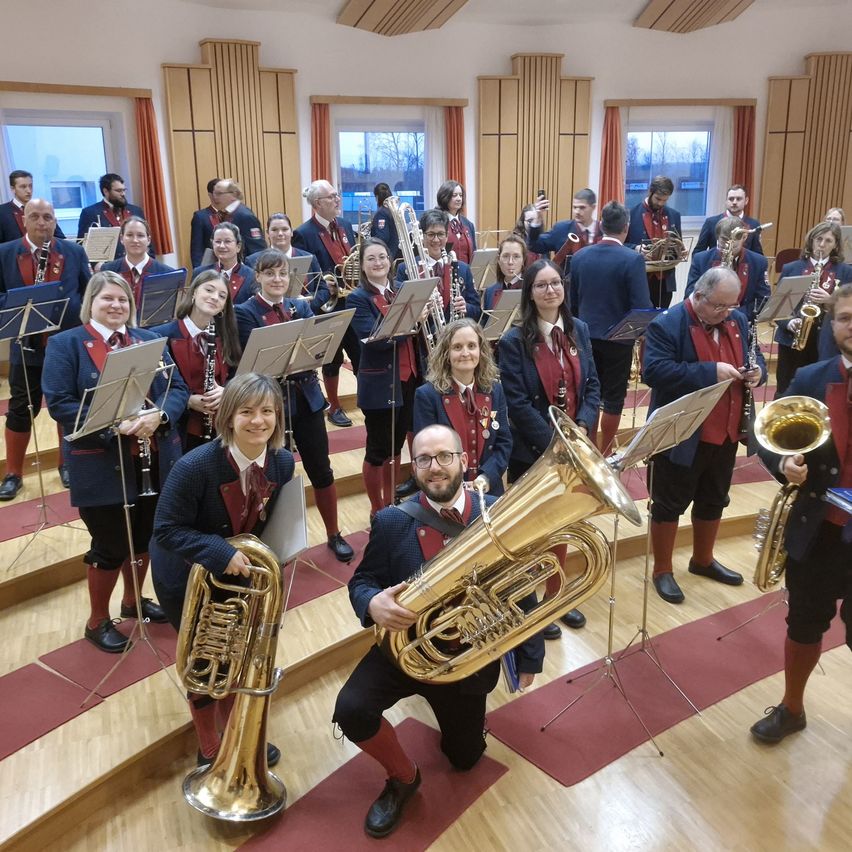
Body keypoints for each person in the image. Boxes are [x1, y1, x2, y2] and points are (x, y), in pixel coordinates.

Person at [332, 424, 543, 839]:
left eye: (445, 456)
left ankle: (458, 725)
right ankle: (402, 777)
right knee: (351, 709)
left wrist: (530, 656)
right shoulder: (392, 521)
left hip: (464, 660)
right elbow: (363, 580)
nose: (435, 467)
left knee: (465, 758)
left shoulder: (496, 514)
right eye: (424, 459)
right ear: (415, 466)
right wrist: (371, 602)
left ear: (464, 461)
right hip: (404, 649)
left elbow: (523, 590)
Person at [150, 372, 292, 768]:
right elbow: (165, 529)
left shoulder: (282, 461)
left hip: (239, 571)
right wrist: (216, 551)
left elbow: (271, 520)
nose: (258, 421)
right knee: (204, 656)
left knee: (240, 651)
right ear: (228, 417)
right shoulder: (194, 467)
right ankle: (209, 742)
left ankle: (237, 732)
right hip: (186, 572)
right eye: (246, 411)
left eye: (267, 411)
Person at [42, 271, 188, 652]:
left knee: (143, 536)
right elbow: (60, 403)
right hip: (100, 462)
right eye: (108, 299)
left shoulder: (150, 339)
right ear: (90, 302)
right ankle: (97, 620)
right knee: (109, 545)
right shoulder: (66, 344)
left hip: (153, 460)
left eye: (123, 300)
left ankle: (133, 601)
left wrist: (161, 417)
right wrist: (114, 425)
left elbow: (176, 388)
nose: (116, 306)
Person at [749, 284, 852, 744]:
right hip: (819, 530)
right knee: (805, 623)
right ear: (834, 325)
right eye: (846, 318)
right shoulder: (811, 377)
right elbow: (767, 438)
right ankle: (792, 708)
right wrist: (783, 465)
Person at [642, 266, 766, 604]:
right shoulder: (666, 324)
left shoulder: (737, 321)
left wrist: (758, 373)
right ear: (698, 296)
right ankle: (662, 570)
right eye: (719, 307)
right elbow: (653, 371)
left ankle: (702, 559)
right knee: (669, 503)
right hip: (683, 434)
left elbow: (756, 358)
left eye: (732, 306)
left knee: (714, 498)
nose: (727, 314)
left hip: (725, 431)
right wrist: (708, 371)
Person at [499, 258, 600, 635]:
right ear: (530, 293)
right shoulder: (514, 341)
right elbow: (518, 403)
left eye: (555, 283)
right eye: (541, 285)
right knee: (535, 531)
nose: (550, 290)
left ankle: (554, 599)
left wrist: (584, 428)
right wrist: (556, 446)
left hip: (575, 448)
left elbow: (591, 386)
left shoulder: (580, 330)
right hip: (535, 453)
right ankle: (529, 601)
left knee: (564, 525)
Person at [234, 248, 354, 562]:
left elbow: (318, 352)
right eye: (270, 273)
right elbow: (254, 363)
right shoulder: (245, 312)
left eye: (283, 273)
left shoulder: (298, 308)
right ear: (257, 277)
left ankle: (333, 533)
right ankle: (271, 544)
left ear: (291, 277)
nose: (277, 279)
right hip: (270, 406)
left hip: (307, 400)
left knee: (321, 469)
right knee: (270, 476)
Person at [0, 198, 91, 499]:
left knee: (65, 407)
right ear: (24, 220)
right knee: (19, 409)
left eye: (48, 218)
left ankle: (67, 464)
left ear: (55, 221)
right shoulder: (5, 253)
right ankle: (13, 473)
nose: (42, 223)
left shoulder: (74, 252)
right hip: (25, 347)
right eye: (35, 217)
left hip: (65, 347)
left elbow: (87, 294)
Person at [570, 200, 653, 454]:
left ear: (601, 225)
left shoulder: (580, 256)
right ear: (626, 228)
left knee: (589, 396)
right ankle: (606, 453)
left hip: (584, 338)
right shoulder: (632, 259)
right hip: (619, 341)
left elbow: (572, 303)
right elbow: (642, 307)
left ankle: (589, 451)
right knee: (614, 400)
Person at [348, 238, 422, 517]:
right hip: (380, 384)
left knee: (396, 445)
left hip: (409, 379)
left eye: (382, 257)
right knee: (377, 450)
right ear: (363, 266)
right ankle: (377, 509)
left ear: (390, 260)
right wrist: (413, 320)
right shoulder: (358, 298)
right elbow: (376, 340)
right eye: (371, 259)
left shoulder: (401, 290)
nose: (378, 263)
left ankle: (391, 502)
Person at [414, 318, 512, 496]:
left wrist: (485, 478)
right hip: (447, 492)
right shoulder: (427, 396)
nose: (465, 353)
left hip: (488, 490)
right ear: (446, 353)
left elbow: (504, 443)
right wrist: (456, 486)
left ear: (481, 351)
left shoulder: (495, 390)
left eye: (472, 346)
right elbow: (427, 454)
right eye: (457, 347)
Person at [292, 179, 361, 428]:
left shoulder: (343, 225)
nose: (338, 200)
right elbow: (307, 275)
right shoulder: (304, 233)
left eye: (336, 195)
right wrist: (326, 286)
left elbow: (353, 258)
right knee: (331, 359)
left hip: (353, 300)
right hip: (329, 305)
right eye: (332, 197)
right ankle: (334, 406)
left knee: (360, 353)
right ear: (318, 204)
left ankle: (366, 398)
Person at [152, 270, 241, 450]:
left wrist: (226, 391)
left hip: (220, 425)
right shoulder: (162, 335)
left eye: (222, 296)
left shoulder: (225, 334)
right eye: (208, 290)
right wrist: (188, 401)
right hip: (179, 428)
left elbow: (236, 373)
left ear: (224, 306)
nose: (215, 297)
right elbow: (156, 388)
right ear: (193, 292)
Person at [773, 222, 852, 396]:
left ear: (836, 245)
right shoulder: (792, 268)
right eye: (819, 239)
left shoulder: (845, 271)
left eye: (828, 241)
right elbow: (778, 308)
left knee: (820, 389)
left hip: (826, 341)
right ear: (811, 241)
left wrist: (830, 300)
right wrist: (789, 322)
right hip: (792, 339)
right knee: (785, 388)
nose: (822, 245)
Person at [395, 208, 480, 322]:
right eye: (431, 234)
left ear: (447, 235)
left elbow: (477, 311)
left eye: (440, 234)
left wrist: (466, 307)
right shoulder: (406, 269)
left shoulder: (463, 269)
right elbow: (399, 313)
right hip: (422, 337)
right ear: (422, 236)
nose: (436, 240)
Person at [686, 216, 770, 325]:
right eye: (724, 239)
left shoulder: (759, 262)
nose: (729, 244)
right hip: (706, 321)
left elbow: (763, 299)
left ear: (744, 237)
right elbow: (690, 293)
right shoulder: (700, 259)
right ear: (717, 237)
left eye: (734, 240)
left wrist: (735, 315)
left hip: (742, 322)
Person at [244, 212, 327, 313]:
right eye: (274, 230)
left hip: (305, 315)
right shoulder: (252, 261)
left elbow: (324, 291)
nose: (280, 234)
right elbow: (251, 293)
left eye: (285, 229)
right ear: (267, 233)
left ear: (291, 232)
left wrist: (304, 304)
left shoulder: (309, 257)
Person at [625, 175, 684, 309]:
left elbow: (677, 242)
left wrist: (680, 251)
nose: (661, 203)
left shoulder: (674, 215)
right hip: (641, 278)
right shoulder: (630, 214)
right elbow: (621, 245)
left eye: (665, 200)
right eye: (658, 199)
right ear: (650, 191)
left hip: (665, 281)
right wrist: (636, 248)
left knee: (662, 319)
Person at [101, 216, 175, 315]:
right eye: (129, 235)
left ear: (148, 240)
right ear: (122, 239)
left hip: (153, 329)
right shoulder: (108, 270)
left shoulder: (167, 273)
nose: (135, 240)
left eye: (140, 235)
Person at [525, 188, 602, 278]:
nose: (577, 211)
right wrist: (537, 218)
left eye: (582, 207)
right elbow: (534, 245)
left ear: (593, 207)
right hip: (567, 288)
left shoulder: (604, 231)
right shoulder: (562, 229)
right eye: (575, 207)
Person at [77, 173, 150, 258]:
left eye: (124, 190)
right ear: (106, 191)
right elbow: (84, 245)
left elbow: (147, 238)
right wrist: (97, 265)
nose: (123, 194)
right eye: (118, 191)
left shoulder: (136, 210)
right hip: (109, 266)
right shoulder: (90, 213)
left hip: (137, 262)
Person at [192, 221, 256, 305]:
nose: (222, 246)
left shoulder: (252, 276)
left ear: (238, 247)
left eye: (227, 241)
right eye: (218, 242)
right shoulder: (199, 273)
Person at [204, 178, 266, 260]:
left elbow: (258, 251)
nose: (215, 197)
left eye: (219, 194)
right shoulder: (226, 213)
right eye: (214, 193)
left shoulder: (245, 216)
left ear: (233, 195)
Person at [694, 184, 764, 255]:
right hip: (715, 264)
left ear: (746, 201)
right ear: (726, 201)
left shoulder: (754, 224)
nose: (734, 202)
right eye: (731, 199)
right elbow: (698, 252)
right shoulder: (711, 222)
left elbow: (758, 255)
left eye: (739, 199)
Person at [0, 170, 66, 242]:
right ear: (13, 189)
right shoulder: (2, 212)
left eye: (30, 186)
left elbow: (60, 238)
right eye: (23, 187)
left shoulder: (42, 208)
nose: (28, 190)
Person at [436, 181, 477, 265]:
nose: (459, 199)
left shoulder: (468, 224)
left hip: (466, 274)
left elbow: (473, 253)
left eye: (461, 195)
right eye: (454, 195)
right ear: (444, 197)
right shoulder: (436, 222)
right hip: (444, 273)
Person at [482, 234, 527, 310]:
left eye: (516, 256)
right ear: (499, 260)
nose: (510, 262)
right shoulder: (489, 291)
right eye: (506, 256)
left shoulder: (531, 289)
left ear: (523, 260)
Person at [188, 177, 221, 267]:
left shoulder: (234, 214)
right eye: (218, 193)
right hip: (211, 266)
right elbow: (196, 249)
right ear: (210, 195)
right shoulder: (200, 217)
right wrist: (199, 271)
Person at [369, 182, 399, 261]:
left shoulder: (382, 213)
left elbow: (382, 237)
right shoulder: (393, 210)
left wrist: (370, 240)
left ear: (377, 197)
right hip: (395, 252)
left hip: (386, 255)